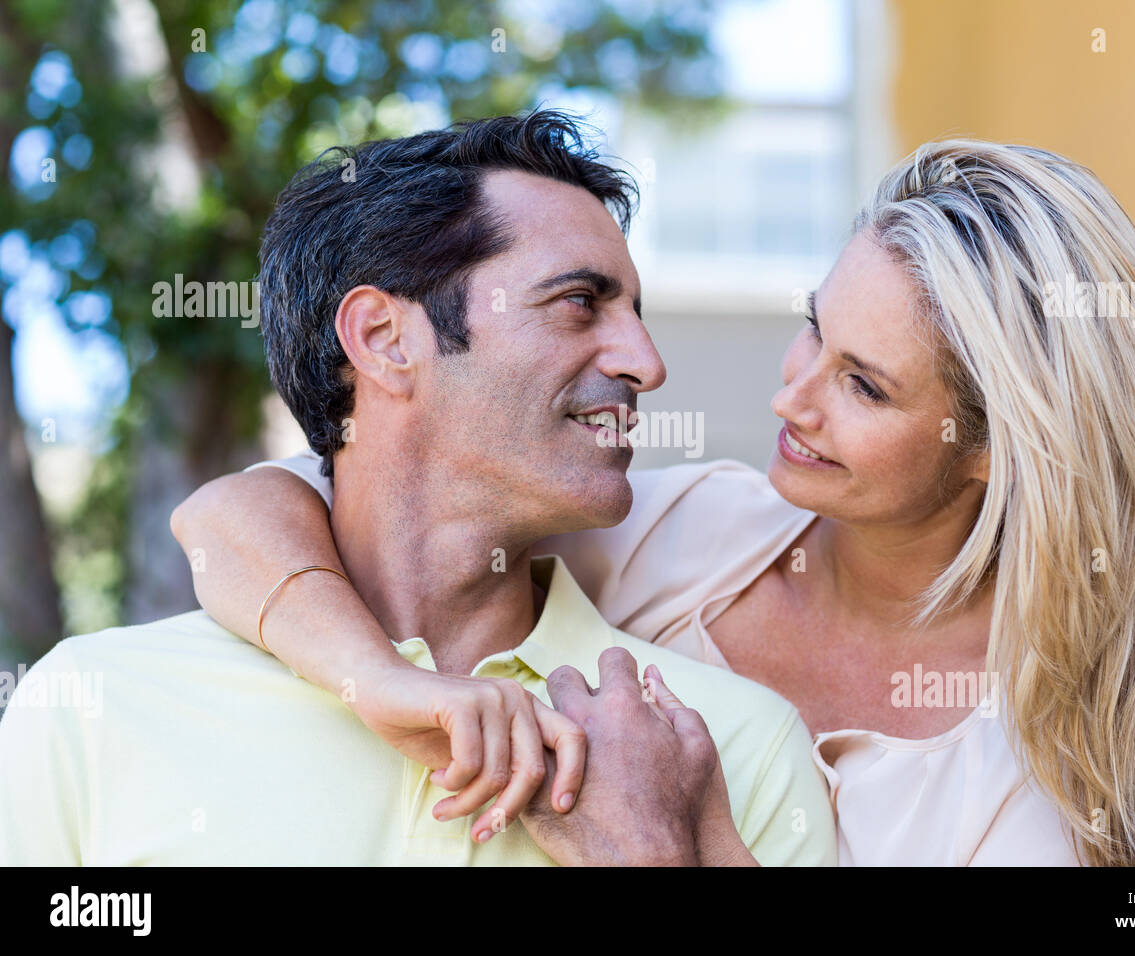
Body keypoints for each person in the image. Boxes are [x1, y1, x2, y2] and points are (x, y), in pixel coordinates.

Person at [172, 135, 1135, 866]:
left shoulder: (1024, 796)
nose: (788, 396)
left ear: (990, 450)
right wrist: (371, 678)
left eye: (863, 385)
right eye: (814, 329)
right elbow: (244, 518)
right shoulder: (686, 530)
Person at [0, 112, 838, 867]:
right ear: (385, 339)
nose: (646, 365)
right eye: (580, 303)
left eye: (636, 314)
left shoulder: (726, 749)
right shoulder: (96, 709)